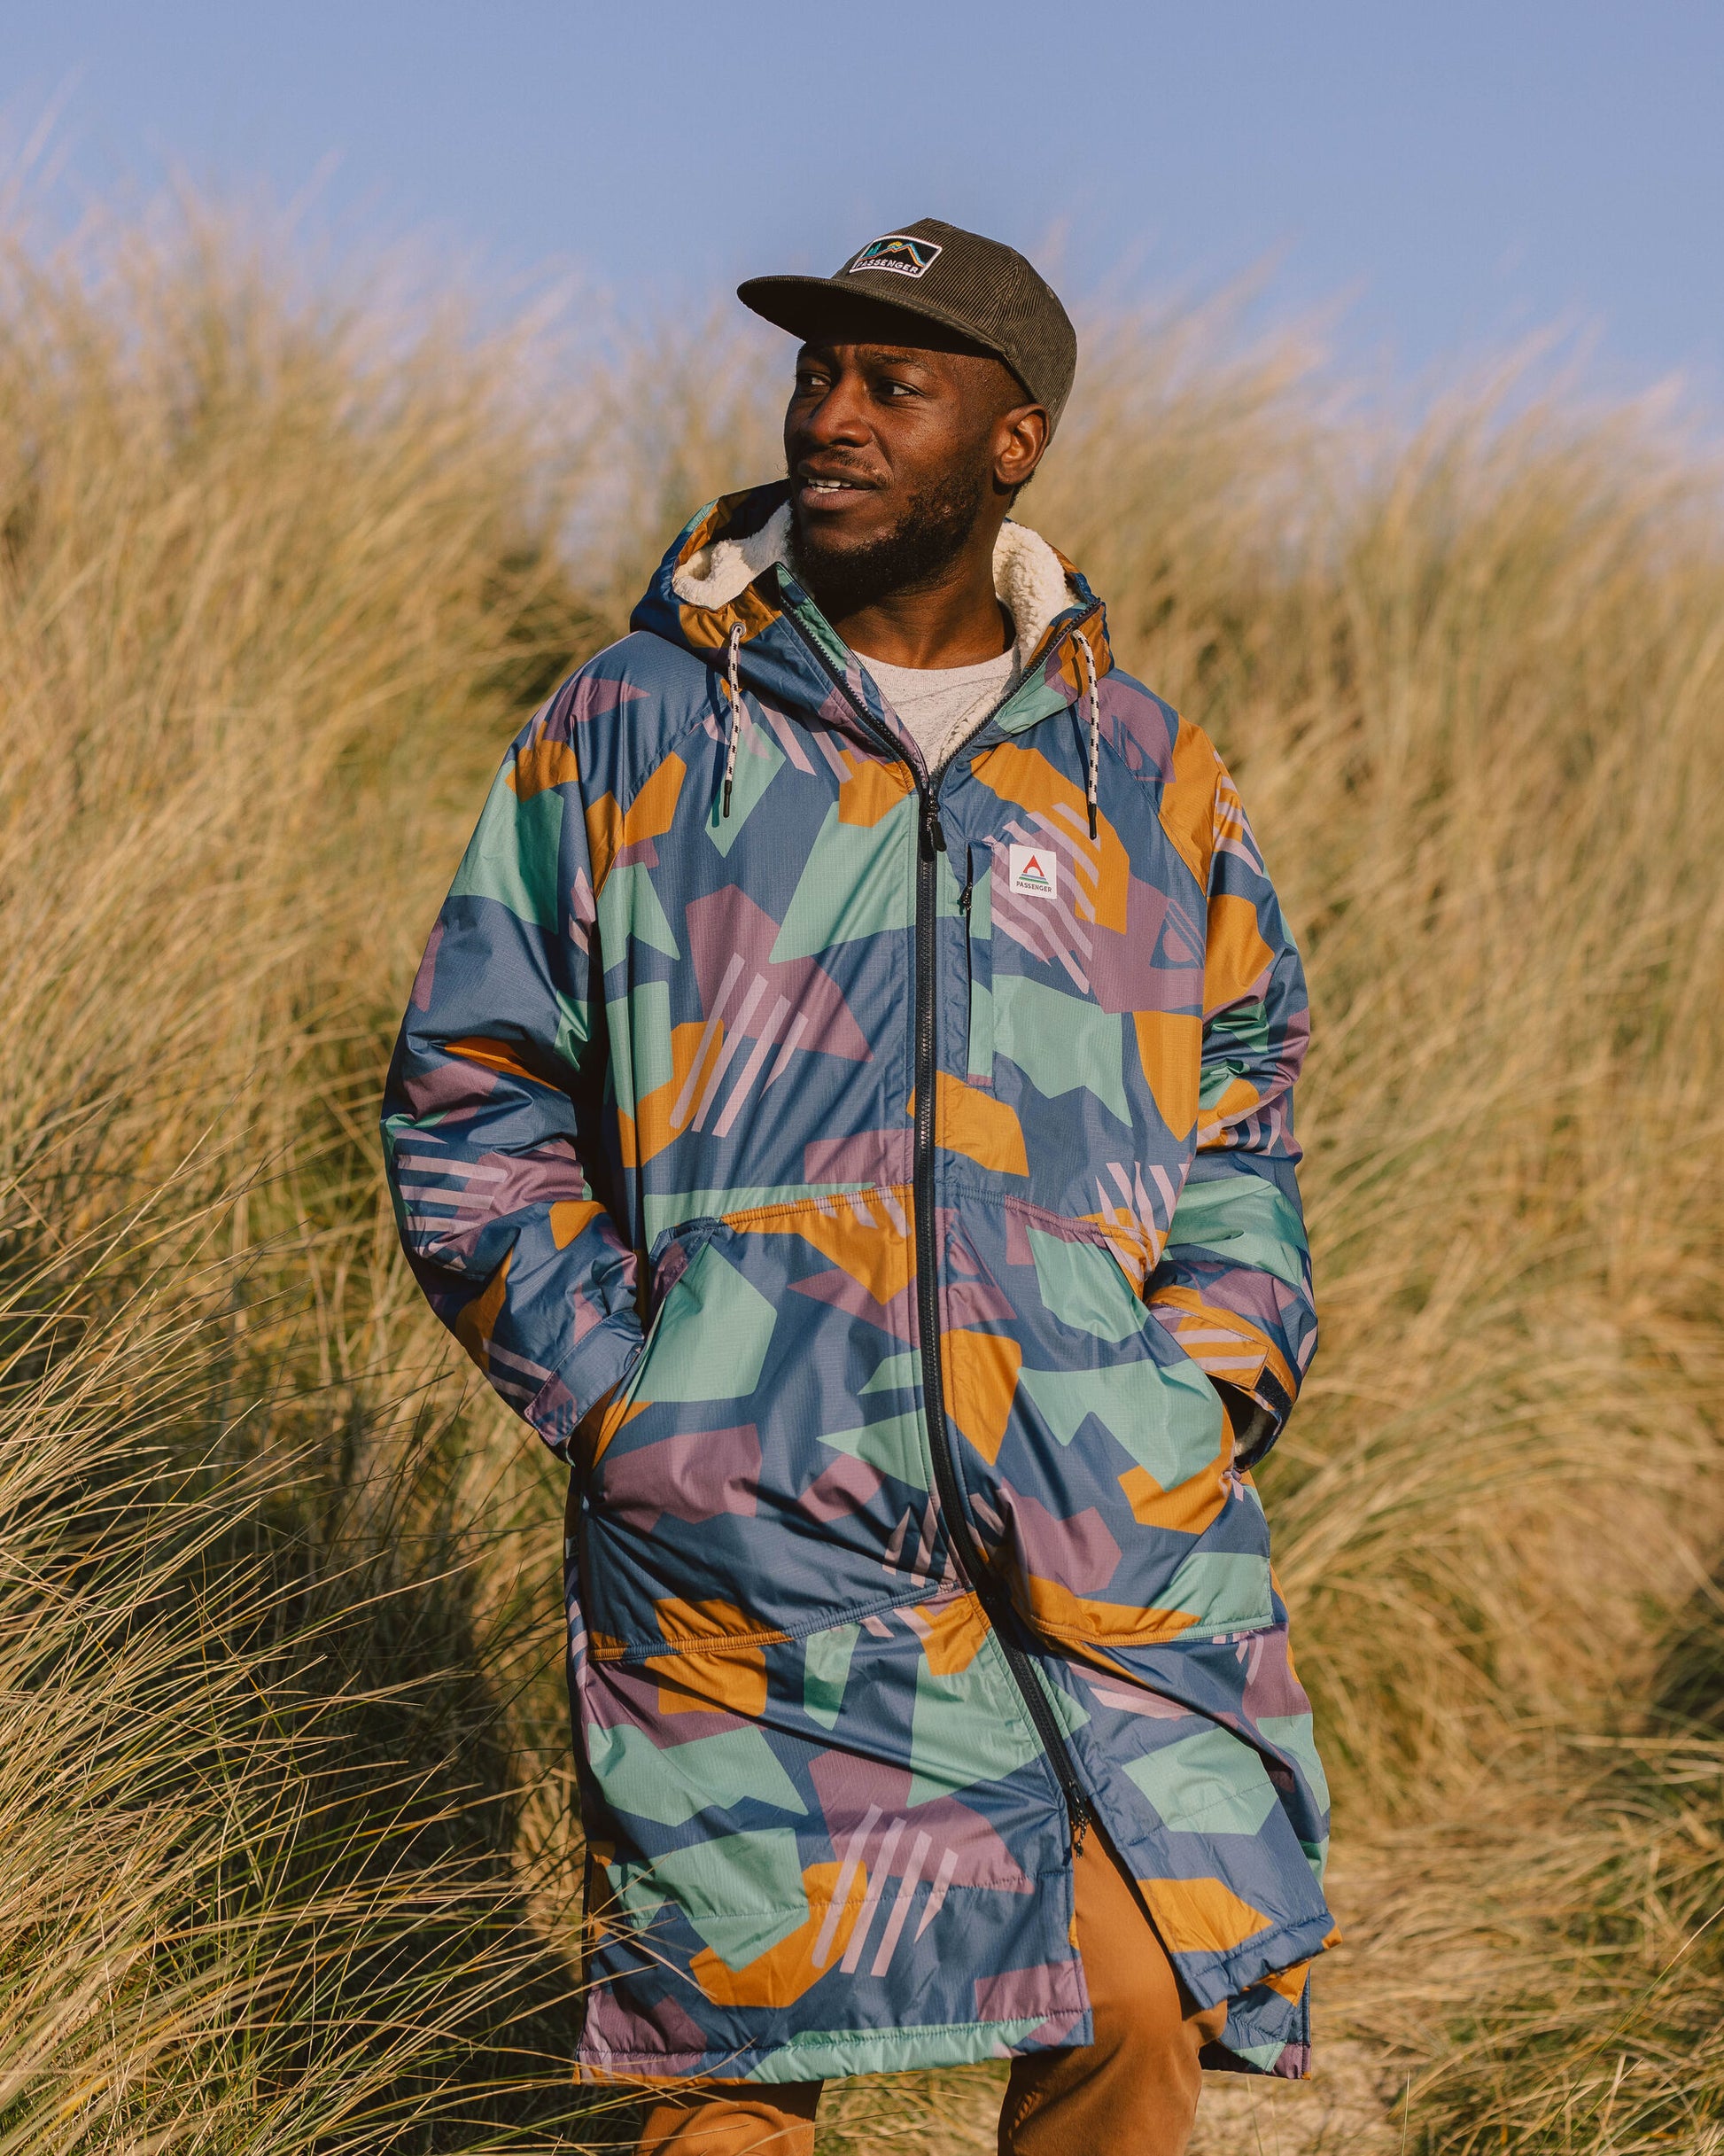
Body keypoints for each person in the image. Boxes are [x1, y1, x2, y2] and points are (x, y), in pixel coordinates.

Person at [383, 216, 1334, 2155]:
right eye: (815, 374)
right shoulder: (633, 723)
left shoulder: (1145, 770)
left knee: (1136, 1989)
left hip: (1085, 1522)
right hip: (744, 1535)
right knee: (728, 2070)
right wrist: (636, 1399)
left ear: (1014, 442)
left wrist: (1199, 1382)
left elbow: (1242, 1103)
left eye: (892, 385)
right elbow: (471, 1088)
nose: (830, 417)